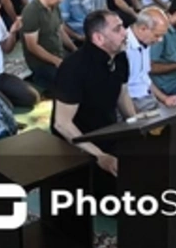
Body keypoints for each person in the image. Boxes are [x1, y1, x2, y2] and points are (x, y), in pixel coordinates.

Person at [52, 10, 135, 178]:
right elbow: (61, 124)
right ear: (99, 38)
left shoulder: (120, 57)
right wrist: (99, 155)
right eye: (117, 29)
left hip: (108, 131)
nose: (125, 32)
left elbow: (122, 94)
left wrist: (136, 125)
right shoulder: (74, 68)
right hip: (77, 142)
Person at [124, 8, 176, 112]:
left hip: (147, 97)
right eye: (157, 35)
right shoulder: (124, 48)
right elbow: (121, 90)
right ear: (143, 29)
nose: (160, 40)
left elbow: (144, 78)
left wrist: (165, 99)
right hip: (133, 102)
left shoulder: (145, 41)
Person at [20, 0, 75, 89]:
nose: (61, 0)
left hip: (58, 53)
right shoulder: (32, 11)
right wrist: (56, 61)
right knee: (68, 83)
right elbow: (32, 47)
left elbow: (60, 31)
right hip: (42, 62)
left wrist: (74, 49)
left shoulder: (54, 7)